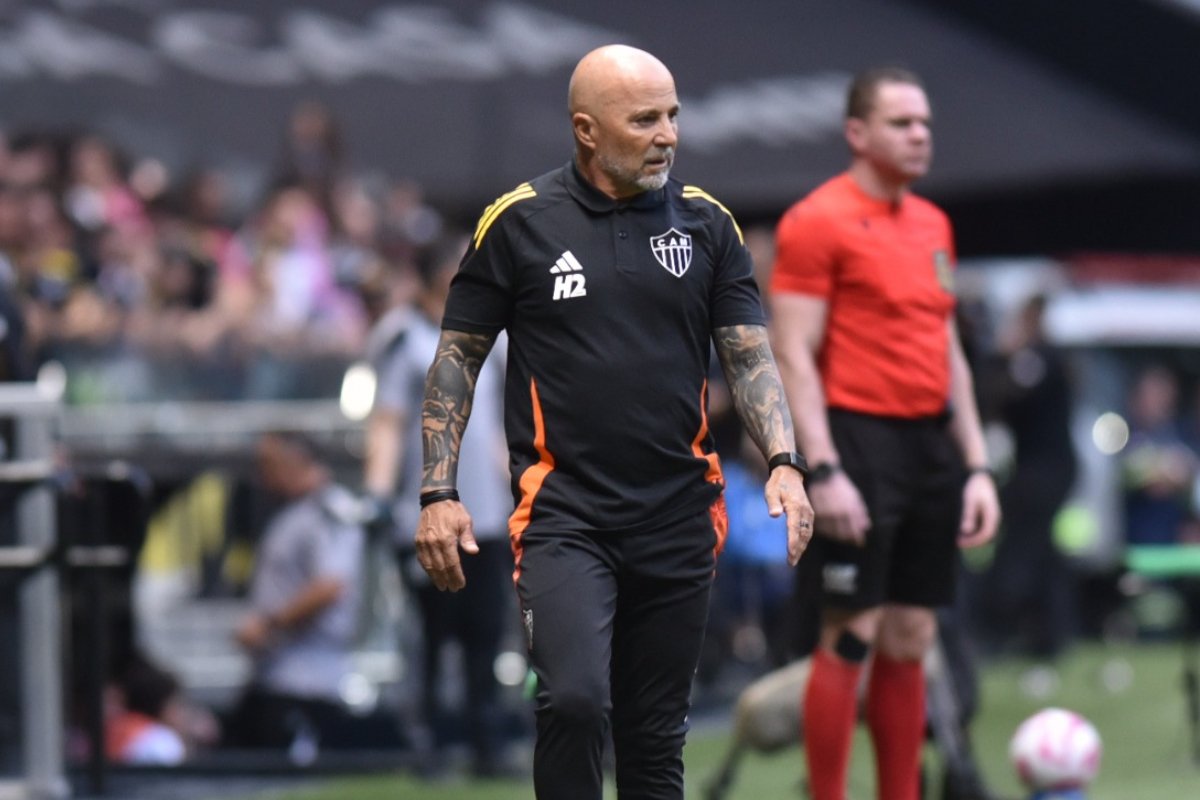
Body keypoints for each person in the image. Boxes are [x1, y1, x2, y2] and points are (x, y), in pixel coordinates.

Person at [414, 44, 815, 800]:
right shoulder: (517, 223)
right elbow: (455, 362)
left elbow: (751, 359)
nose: (667, 134)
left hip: (680, 514)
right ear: (587, 130)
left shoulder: (708, 226)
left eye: (672, 116)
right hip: (566, 515)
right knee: (573, 701)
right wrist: (438, 494)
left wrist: (786, 462)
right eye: (644, 119)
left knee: (653, 739)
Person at [769, 66, 1001, 800]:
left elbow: (948, 352)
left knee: (913, 635)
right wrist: (825, 469)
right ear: (858, 133)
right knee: (851, 630)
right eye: (903, 122)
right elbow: (792, 352)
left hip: (931, 446)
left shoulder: (934, 224)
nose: (920, 134)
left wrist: (977, 465)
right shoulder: (816, 221)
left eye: (925, 122)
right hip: (857, 441)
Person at [362, 234, 517, 777]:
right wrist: (379, 494)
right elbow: (387, 423)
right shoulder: (405, 340)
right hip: (426, 510)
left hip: (488, 512)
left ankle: (486, 745)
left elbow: (498, 426)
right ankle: (425, 743)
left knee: (484, 633)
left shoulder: (492, 337)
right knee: (429, 635)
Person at [228, 430, 392, 754]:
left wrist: (269, 625)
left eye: (268, 464)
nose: (261, 475)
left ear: (296, 461)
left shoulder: (329, 509)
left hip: (309, 677)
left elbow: (330, 585)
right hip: (276, 672)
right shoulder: (293, 511)